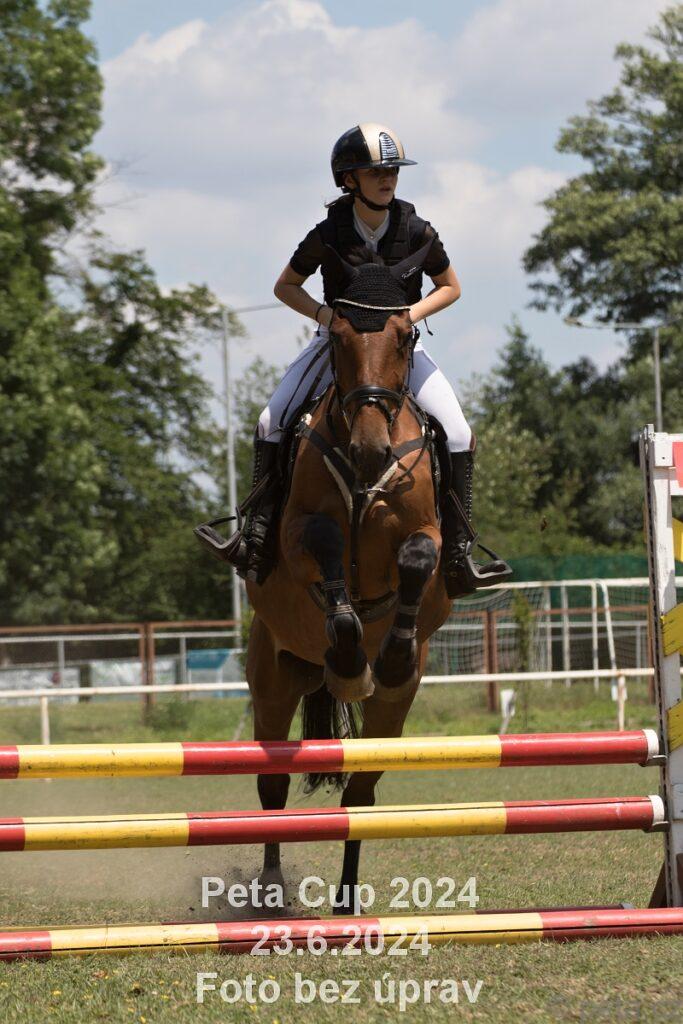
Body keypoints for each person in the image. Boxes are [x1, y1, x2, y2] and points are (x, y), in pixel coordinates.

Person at [222, 123, 510, 597]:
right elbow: (285, 286)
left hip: (399, 345)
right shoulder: (328, 233)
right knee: (270, 420)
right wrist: (325, 316)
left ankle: (459, 552)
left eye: (392, 171)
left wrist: (408, 318)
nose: (388, 179)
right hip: (338, 343)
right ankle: (257, 536)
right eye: (377, 171)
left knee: (458, 433)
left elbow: (451, 287)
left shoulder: (417, 230)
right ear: (349, 179)